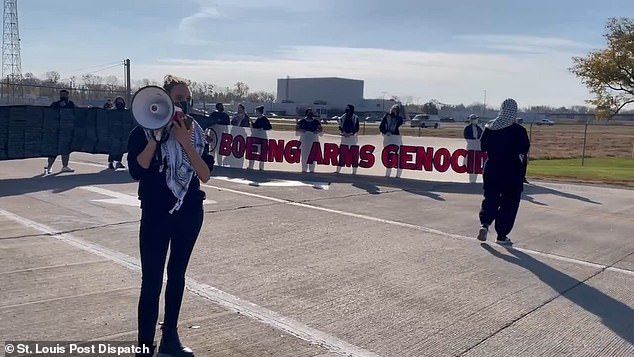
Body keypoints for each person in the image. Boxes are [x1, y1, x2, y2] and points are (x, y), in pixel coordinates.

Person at [127, 74, 215, 357]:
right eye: (178, 99)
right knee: (151, 280)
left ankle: (170, 339)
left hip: (189, 212)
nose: (184, 104)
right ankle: (144, 344)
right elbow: (137, 170)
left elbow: (205, 174)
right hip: (155, 212)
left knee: (177, 275)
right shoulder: (140, 132)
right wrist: (156, 139)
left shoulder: (198, 133)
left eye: (187, 99)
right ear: (163, 101)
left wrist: (185, 142)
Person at [477, 98, 530, 245]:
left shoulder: (490, 127)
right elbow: (524, 150)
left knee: (491, 197)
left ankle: (485, 223)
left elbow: (483, 147)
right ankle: (502, 234)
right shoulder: (519, 131)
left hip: (492, 167)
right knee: (510, 202)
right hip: (511, 169)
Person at [45, 89, 76, 174]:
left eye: (64, 95)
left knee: (66, 149)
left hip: (66, 130)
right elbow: (49, 114)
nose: (63, 96)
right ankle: (49, 167)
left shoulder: (71, 104)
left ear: (67, 95)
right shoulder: (55, 104)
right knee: (53, 150)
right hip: (56, 131)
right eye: (61, 95)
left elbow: (76, 113)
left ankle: (65, 166)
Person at [108, 97, 127, 169]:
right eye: (119, 101)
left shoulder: (125, 112)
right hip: (114, 133)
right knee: (113, 148)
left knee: (121, 148)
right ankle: (110, 162)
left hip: (122, 132)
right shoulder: (112, 112)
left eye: (121, 101)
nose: (120, 103)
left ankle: (119, 162)